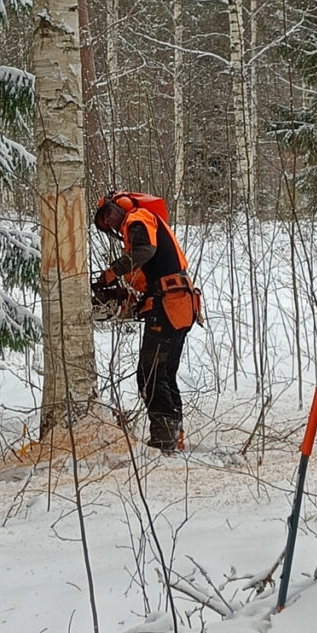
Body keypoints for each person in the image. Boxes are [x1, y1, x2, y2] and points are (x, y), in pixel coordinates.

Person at [93, 191, 201, 453]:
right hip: (179, 302)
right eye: (105, 223)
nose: (110, 223)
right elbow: (147, 275)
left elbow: (144, 251)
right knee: (164, 374)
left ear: (121, 204)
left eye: (108, 215)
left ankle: (164, 439)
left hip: (169, 303)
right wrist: (121, 293)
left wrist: (110, 273)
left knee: (150, 374)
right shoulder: (148, 227)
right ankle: (174, 436)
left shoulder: (138, 218)